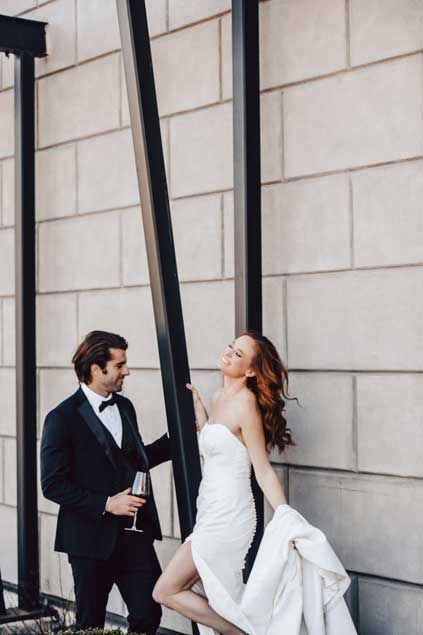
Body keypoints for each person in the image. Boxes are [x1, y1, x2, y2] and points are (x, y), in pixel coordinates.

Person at [153, 331, 296, 635]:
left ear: (251, 371)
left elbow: (262, 469)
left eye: (239, 354)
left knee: (165, 590)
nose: (229, 352)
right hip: (209, 511)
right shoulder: (219, 397)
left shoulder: (246, 404)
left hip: (229, 517)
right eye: (232, 346)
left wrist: (285, 515)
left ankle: (238, 632)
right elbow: (221, 447)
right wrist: (201, 414)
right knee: (222, 598)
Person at [40, 330, 171, 634]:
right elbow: (52, 484)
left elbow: (133, 461)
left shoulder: (125, 407)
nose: (127, 371)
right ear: (96, 369)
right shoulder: (61, 418)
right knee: (91, 626)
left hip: (134, 537)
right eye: (120, 365)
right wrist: (108, 504)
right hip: (89, 541)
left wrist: (177, 439)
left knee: (148, 615)